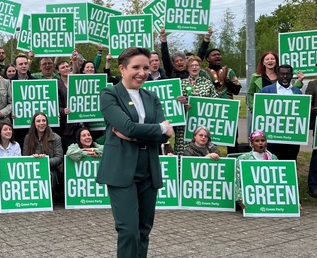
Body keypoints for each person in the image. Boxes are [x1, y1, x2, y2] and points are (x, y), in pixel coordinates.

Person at [96, 47, 174, 258]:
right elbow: (129, 127)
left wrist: (148, 132)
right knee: (128, 230)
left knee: (143, 229)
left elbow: (165, 136)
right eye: (136, 67)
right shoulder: (109, 95)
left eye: (146, 67)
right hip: (121, 169)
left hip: (148, 167)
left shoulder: (152, 97)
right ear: (122, 69)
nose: (142, 72)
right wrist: (158, 128)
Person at [259, 64, 303, 161]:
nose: (285, 77)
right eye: (282, 74)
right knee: (271, 164)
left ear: (292, 75)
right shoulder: (266, 91)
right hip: (272, 139)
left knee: (290, 163)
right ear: (277, 75)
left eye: (287, 74)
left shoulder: (297, 92)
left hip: (291, 139)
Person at [176, 56, 216, 155]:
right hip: (186, 125)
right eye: (191, 65)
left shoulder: (207, 83)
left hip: (203, 123)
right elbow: (175, 106)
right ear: (187, 67)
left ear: (200, 67)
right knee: (184, 153)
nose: (194, 67)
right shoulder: (181, 83)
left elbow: (216, 101)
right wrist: (182, 106)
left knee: (204, 150)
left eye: (196, 65)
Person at [234, 130, 277, 210]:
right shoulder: (243, 159)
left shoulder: (273, 158)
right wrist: (240, 200)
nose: (260, 143)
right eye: (257, 141)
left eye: (263, 140)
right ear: (252, 144)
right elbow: (237, 181)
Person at [23, 112, 64, 195]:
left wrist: (45, 162)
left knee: (48, 175)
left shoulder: (56, 137)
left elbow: (59, 157)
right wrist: (32, 158)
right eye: (38, 121)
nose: (41, 123)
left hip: (51, 169)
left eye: (44, 121)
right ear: (34, 123)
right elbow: (25, 156)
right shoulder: (28, 138)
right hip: (32, 169)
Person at [55, 59, 79, 152]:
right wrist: (63, 111)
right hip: (66, 128)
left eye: (67, 66)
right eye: (63, 67)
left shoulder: (77, 82)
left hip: (80, 126)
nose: (66, 68)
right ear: (58, 71)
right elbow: (53, 105)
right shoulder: (56, 85)